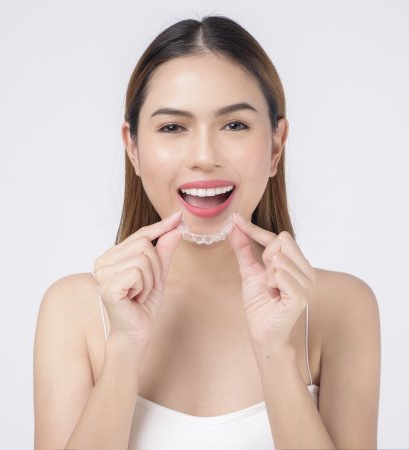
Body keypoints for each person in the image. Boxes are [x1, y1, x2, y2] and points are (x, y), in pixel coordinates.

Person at [33, 15, 380, 450]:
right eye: (172, 127)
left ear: (275, 146)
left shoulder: (342, 308)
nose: (203, 156)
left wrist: (276, 353)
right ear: (133, 148)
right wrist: (124, 348)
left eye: (234, 125)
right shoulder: (74, 311)